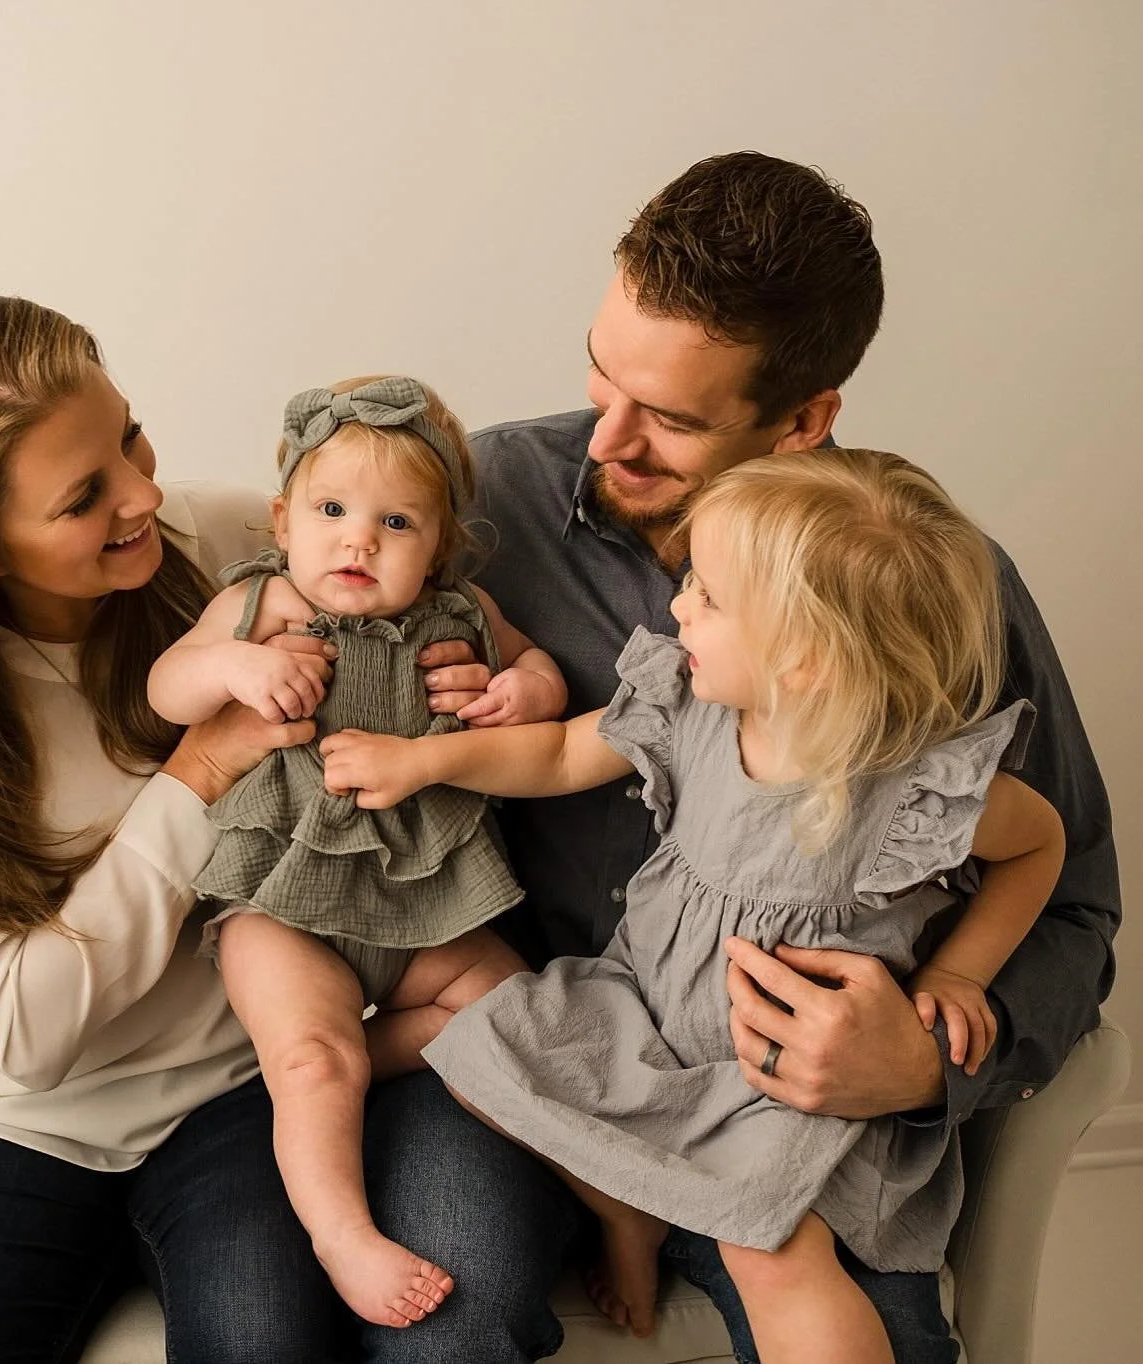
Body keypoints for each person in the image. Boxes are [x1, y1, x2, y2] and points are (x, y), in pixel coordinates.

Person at [411, 151, 1120, 1362]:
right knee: (439, 1307)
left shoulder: (930, 592)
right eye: (603, 371)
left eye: (675, 419)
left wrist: (925, 1056)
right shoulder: (481, 504)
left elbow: (1075, 906)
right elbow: (310, 623)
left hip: (802, 1106)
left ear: (804, 420)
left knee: (881, 1336)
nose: (607, 439)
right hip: (565, 1038)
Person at [0, 292, 540, 1364]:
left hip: (232, 1092)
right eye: (84, 496)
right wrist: (199, 771)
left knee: (266, 1341)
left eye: (131, 435)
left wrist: (470, 686)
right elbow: (25, 1033)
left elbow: (431, 603)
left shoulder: (242, 538)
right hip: (5, 1112)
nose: (145, 492)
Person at [323, 447, 1066, 1364]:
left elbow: (1041, 847)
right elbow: (555, 756)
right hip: (643, 1020)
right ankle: (622, 1205)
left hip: (782, 1086)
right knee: (485, 1052)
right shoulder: (694, 704)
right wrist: (424, 760)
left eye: (707, 597)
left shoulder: (915, 785)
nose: (677, 608)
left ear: (803, 662)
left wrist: (960, 973)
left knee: (775, 1256)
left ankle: (662, 1208)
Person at [146, 375, 563, 1328]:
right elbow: (166, 690)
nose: (358, 540)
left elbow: (541, 666)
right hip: (281, 900)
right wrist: (233, 667)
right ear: (283, 519)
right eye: (331, 509)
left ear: (441, 548)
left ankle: (594, 1191)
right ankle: (346, 1240)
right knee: (309, 1064)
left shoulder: (462, 614)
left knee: (517, 1011)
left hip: (419, 896)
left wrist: (524, 694)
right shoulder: (260, 604)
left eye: (398, 522)